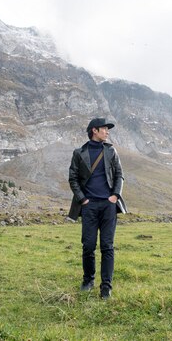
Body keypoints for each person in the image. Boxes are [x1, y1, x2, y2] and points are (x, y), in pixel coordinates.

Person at [68, 117, 127, 299]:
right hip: (89, 206)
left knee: (107, 246)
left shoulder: (111, 151)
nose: (107, 132)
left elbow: (119, 175)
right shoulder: (79, 153)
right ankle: (88, 281)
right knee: (88, 246)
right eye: (104, 129)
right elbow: (73, 179)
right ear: (94, 130)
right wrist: (83, 199)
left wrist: (115, 196)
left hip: (108, 205)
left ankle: (106, 287)